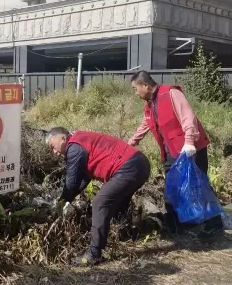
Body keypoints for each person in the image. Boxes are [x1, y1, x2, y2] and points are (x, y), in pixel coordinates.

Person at [128, 70, 222, 233]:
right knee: (173, 188)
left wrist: (189, 142)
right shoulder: (150, 105)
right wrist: (132, 142)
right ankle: (175, 224)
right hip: (171, 153)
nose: (135, 93)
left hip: (191, 149)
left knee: (199, 185)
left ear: (145, 85)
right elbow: (145, 124)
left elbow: (188, 117)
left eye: (136, 89)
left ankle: (214, 224)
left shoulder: (171, 93)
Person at [46, 128, 151, 266]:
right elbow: (83, 179)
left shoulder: (74, 148)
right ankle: (124, 234)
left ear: (62, 138)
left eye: (53, 147)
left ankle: (94, 254)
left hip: (129, 167)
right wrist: (67, 200)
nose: (54, 152)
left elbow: (71, 183)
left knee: (99, 203)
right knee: (117, 201)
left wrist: (61, 203)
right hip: (139, 163)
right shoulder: (80, 141)